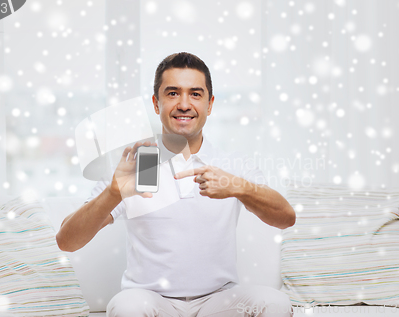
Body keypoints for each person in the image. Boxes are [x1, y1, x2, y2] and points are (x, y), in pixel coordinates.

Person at [56, 52, 296, 317]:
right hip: (151, 300)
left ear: (210, 103)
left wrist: (239, 187)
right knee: (127, 307)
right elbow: (67, 241)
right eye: (172, 93)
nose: (184, 104)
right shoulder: (133, 169)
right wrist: (114, 193)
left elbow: (285, 218)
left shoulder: (232, 166)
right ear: (156, 104)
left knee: (275, 303)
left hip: (219, 301)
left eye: (195, 93)